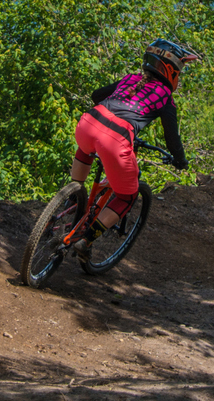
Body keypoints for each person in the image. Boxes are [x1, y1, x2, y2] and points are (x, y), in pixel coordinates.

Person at [69, 38, 200, 255]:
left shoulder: (130, 79)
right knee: (126, 196)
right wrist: (180, 160)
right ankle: (86, 241)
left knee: (86, 148)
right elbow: (172, 139)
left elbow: (96, 96)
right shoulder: (165, 98)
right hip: (116, 139)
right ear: (171, 71)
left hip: (88, 123)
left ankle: (72, 199)